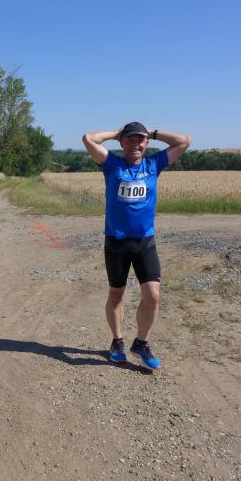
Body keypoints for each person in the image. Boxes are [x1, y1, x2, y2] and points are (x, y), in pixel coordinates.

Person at [82, 122, 191, 369]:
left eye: (140, 140)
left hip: (144, 242)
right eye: (130, 140)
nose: (135, 144)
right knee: (116, 295)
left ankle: (141, 343)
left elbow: (184, 141)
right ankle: (117, 341)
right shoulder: (112, 164)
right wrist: (115, 134)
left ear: (146, 143)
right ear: (122, 143)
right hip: (116, 242)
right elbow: (89, 139)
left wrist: (152, 132)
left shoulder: (154, 164)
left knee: (153, 295)